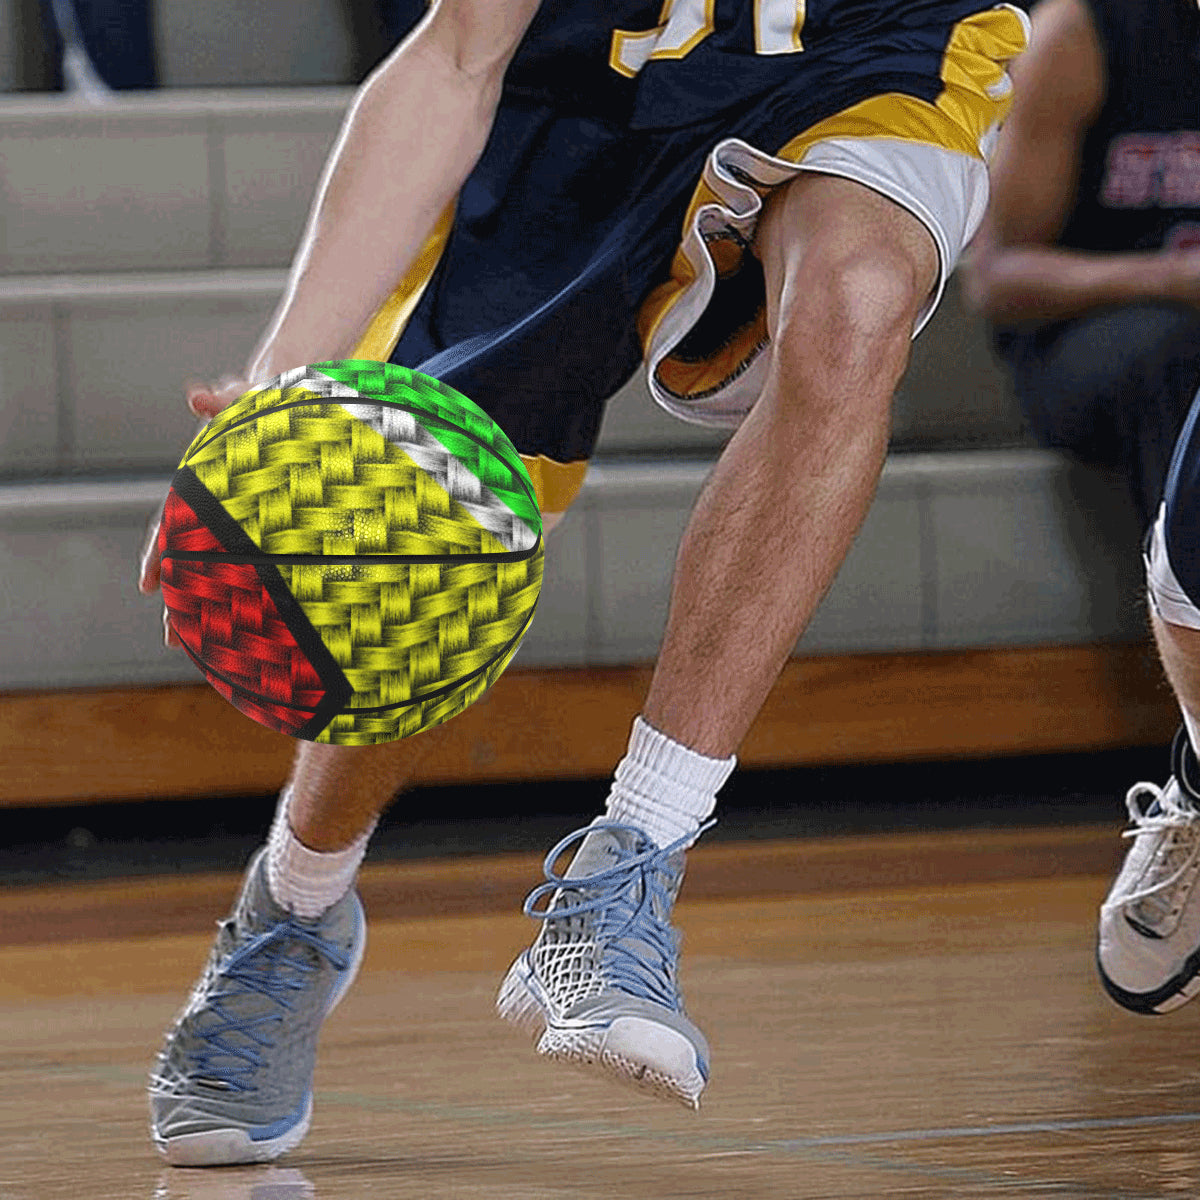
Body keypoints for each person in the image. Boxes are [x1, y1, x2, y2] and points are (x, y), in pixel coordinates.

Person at [139, 0, 1029, 1166]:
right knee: (416, 517)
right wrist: (283, 375)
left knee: (858, 304)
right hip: (575, 101)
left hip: (868, 54)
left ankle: (628, 873)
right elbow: (459, 51)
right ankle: (294, 907)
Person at [963, 0, 1200, 1017]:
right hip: (1090, 340)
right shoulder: (1086, 35)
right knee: (1173, 353)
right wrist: (1172, 277)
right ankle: (1188, 775)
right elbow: (997, 276)